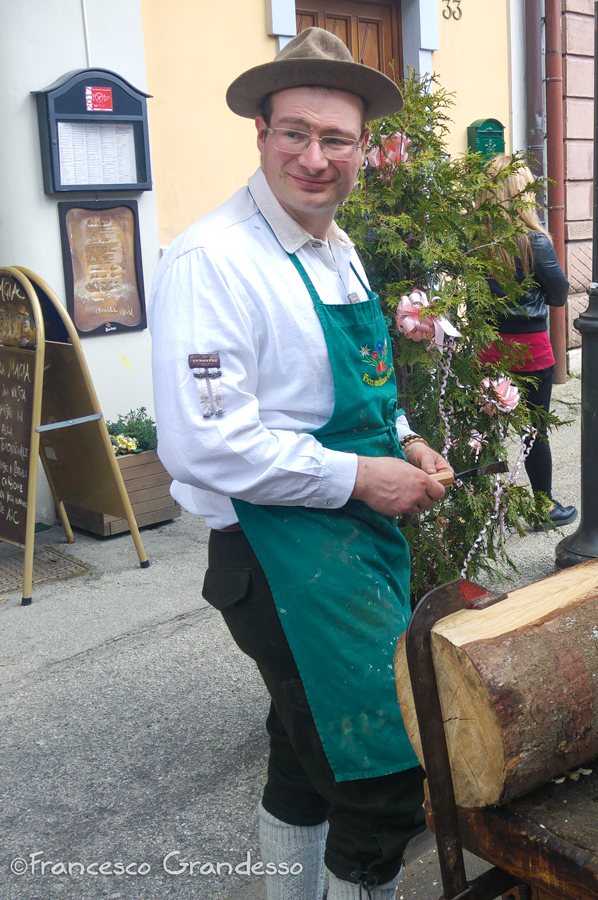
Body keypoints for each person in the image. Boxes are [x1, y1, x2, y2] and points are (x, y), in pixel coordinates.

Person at [150, 29, 452, 900]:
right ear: (260, 134)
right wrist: (363, 478)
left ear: (365, 150)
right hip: (275, 559)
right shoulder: (215, 262)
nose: (313, 158)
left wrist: (401, 441)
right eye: (294, 133)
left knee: (302, 755)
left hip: (349, 547)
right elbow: (206, 443)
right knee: (381, 780)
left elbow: (362, 387)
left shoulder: (335, 247)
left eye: (335, 140)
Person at [481, 158, 577, 531]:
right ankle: (543, 507)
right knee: (534, 430)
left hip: (487, 348)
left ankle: (483, 511)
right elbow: (559, 294)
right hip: (531, 349)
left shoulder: (478, 241)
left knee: (482, 431)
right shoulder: (535, 241)